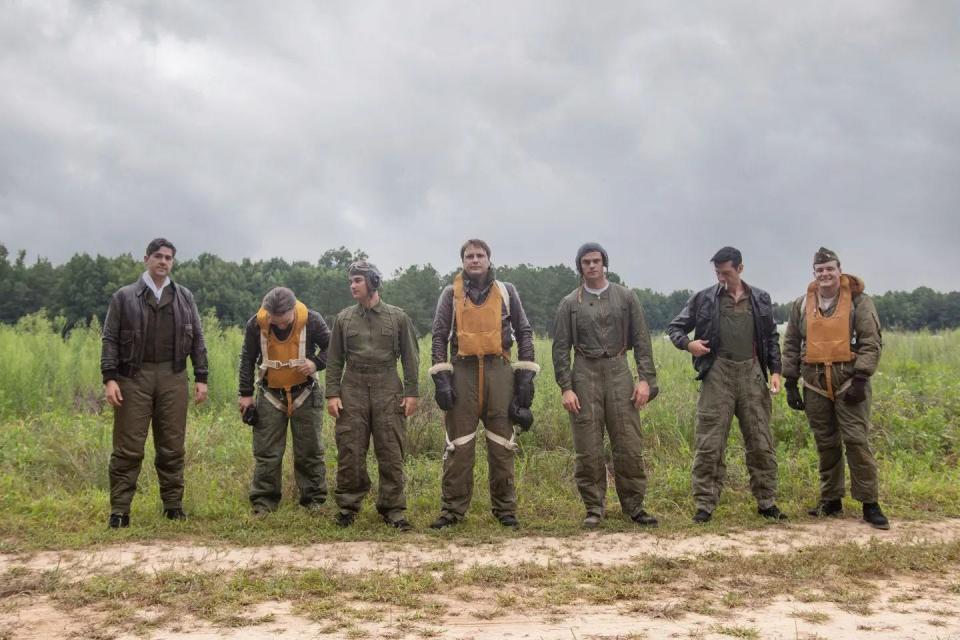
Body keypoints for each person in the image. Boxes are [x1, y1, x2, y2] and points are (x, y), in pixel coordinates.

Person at [667, 246, 786, 523]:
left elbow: (770, 338)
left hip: (752, 373)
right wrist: (689, 344)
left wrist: (776, 371)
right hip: (717, 373)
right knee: (709, 442)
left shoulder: (761, 299)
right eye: (718, 273)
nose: (722, 278)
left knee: (760, 441)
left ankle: (766, 501)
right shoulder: (704, 299)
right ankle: (705, 505)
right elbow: (675, 328)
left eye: (727, 272)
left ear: (740, 269)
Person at [428, 239, 538, 530]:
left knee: (502, 442)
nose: (474, 260)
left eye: (479, 255)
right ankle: (452, 511)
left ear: (489, 259)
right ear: (463, 261)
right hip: (462, 370)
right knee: (459, 444)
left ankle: (505, 510)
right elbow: (439, 335)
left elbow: (524, 331)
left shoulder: (507, 291)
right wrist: (441, 377)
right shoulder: (450, 293)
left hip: (498, 369)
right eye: (469, 256)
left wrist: (526, 375)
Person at [101, 238, 208, 528]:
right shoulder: (124, 297)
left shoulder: (184, 297)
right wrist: (110, 378)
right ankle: (120, 510)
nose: (163, 261)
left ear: (172, 262)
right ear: (146, 259)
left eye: (168, 258)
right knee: (128, 447)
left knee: (172, 446)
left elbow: (197, 338)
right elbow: (110, 338)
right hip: (133, 377)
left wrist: (201, 377)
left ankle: (173, 505)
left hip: (173, 377)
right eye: (158, 256)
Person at [552, 243, 659, 529]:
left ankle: (634, 507)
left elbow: (642, 341)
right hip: (583, 372)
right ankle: (593, 508)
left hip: (618, 370)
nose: (592, 266)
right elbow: (560, 349)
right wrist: (566, 387)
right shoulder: (569, 304)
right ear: (580, 267)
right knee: (588, 446)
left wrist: (645, 379)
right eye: (586, 262)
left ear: (605, 264)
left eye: (596, 261)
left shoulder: (625, 297)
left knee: (628, 442)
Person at [782, 247, 889, 530]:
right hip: (814, 382)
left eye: (830, 269)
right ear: (814, 274)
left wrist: (862, 378)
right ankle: (831, 499)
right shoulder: (801, 305)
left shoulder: (859, 301)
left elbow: (871, 341)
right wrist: (790, 381)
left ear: (839, 270)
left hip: (849, 381)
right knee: (825, 442)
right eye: (820, 270)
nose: (825, 274)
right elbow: (791, 342)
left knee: (855, 440)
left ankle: (870, 503)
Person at [325, 261, 420, 530]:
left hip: (387, 385)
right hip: (352, 386)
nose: (352, 286)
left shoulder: (397, 317)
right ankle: (347, 506)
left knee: (390, 448)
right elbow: (334, 360)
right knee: (350, 448)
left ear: (373, 282)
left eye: (357, 280)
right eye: (350, 281)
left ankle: (393, 509)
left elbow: (411, 358)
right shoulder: (343, 319)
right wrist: (332, 393)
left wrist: (412, 392)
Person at [238, 287, 331, 515]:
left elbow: (334, 348)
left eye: (284, 320)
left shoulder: (313, 320)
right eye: (274, 321)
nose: (280, 325)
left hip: (306, 393)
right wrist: (246, 394)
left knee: (309, 451)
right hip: (270, 394)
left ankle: (314, 502)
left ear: (293, 309)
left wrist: (316, 363)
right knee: (267, 452)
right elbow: (247, 359)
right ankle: (263, 503)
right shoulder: (255, 324)